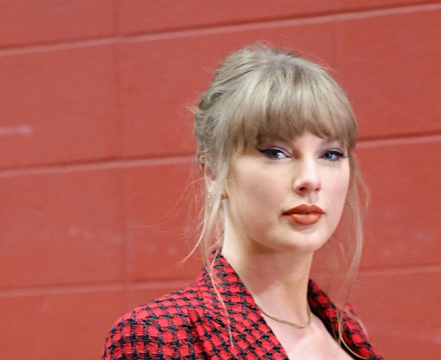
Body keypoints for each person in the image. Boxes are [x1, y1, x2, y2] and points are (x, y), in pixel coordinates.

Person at [103, 43, 383, 360]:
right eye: (276, 153)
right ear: (213, 172)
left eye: (330, 154)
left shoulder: (346, 331)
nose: (310, 178)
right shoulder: (157, 336)